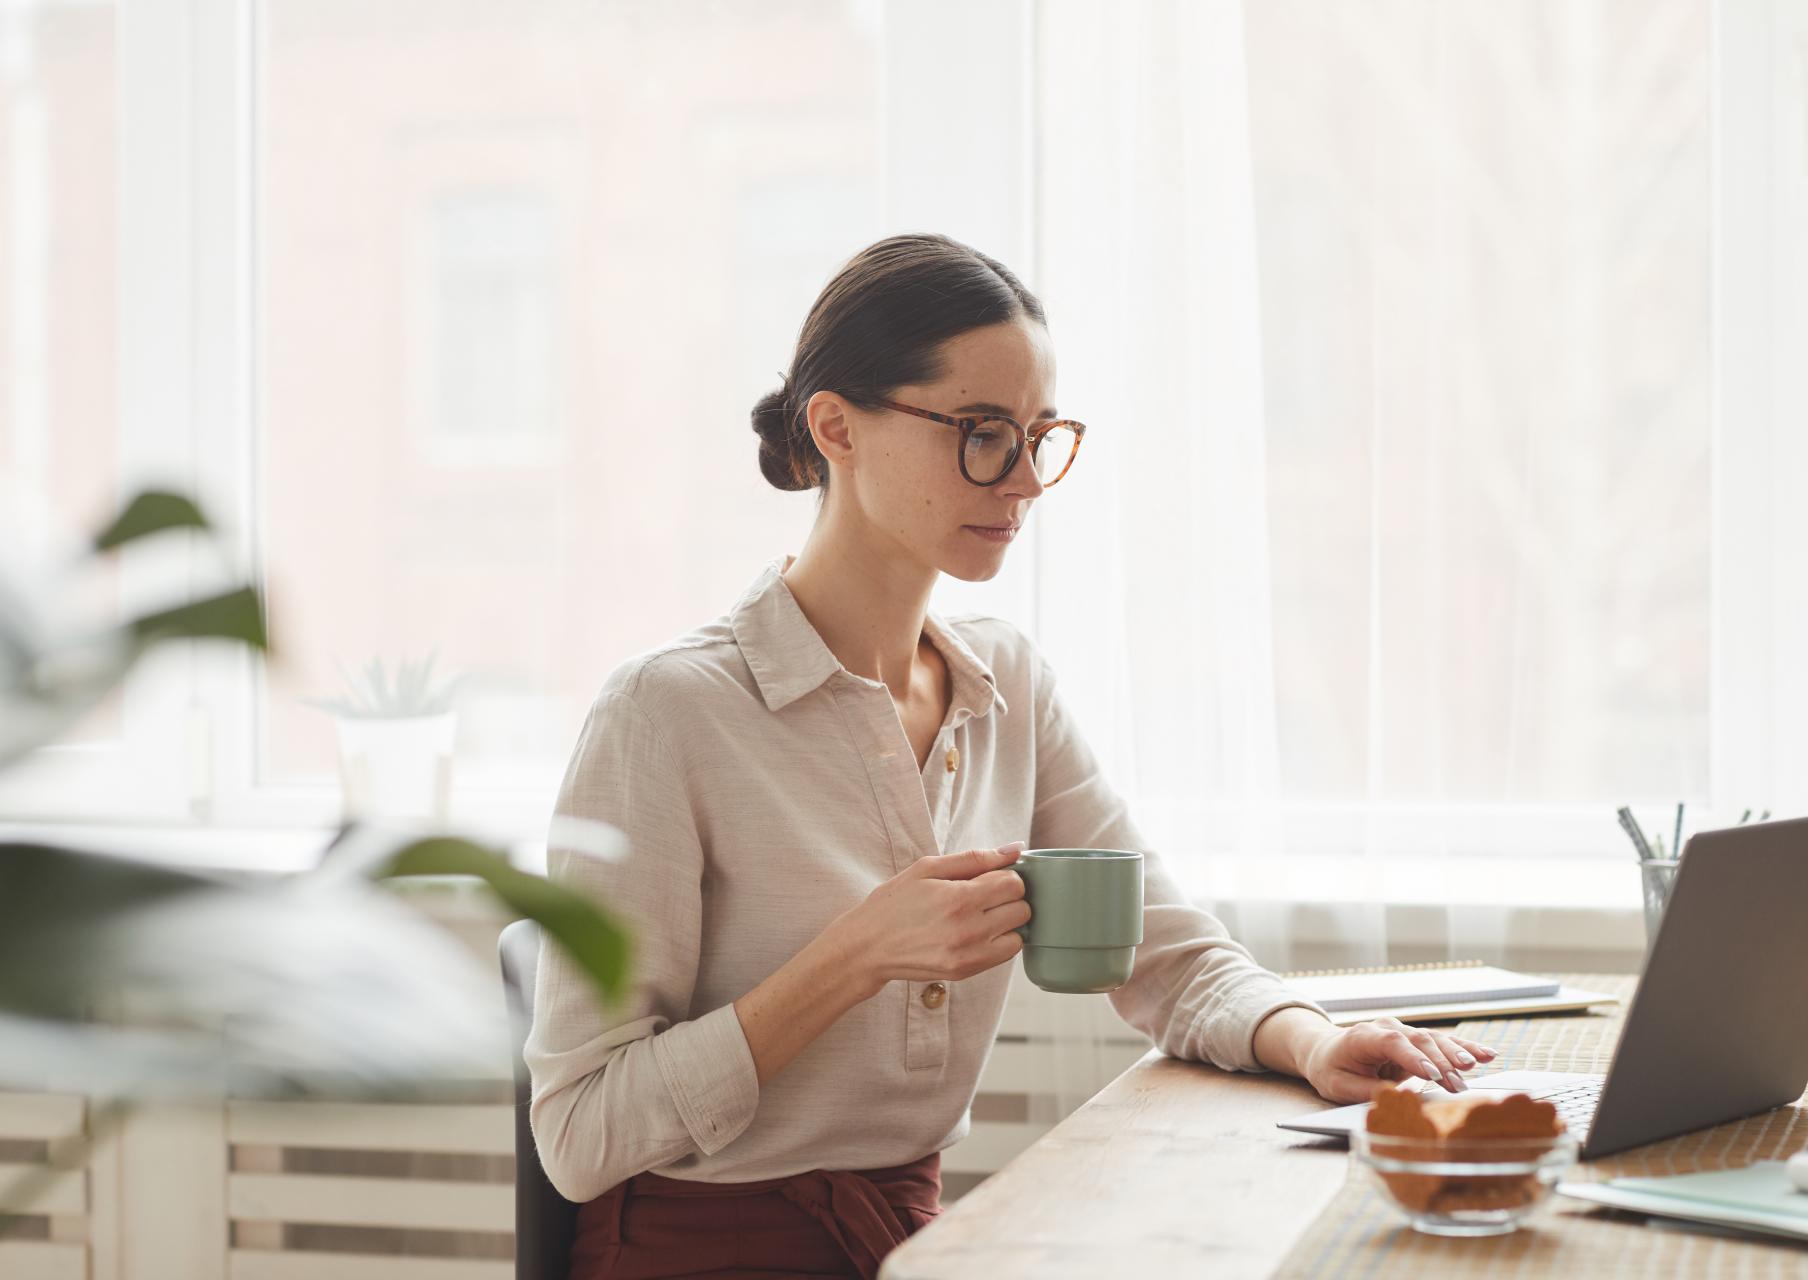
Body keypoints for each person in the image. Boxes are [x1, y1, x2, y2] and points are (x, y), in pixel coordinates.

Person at [524, 232, 1497, 1279]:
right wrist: (854, 955)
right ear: (836, 426)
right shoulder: (667, 713)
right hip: (700, 1252)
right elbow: (579, 1135)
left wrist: (1310, 1037)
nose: (1026, 479)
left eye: (1042, 435)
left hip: (920, 1238)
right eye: (984, 434)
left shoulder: (1006, 686)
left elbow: (1171, 955)